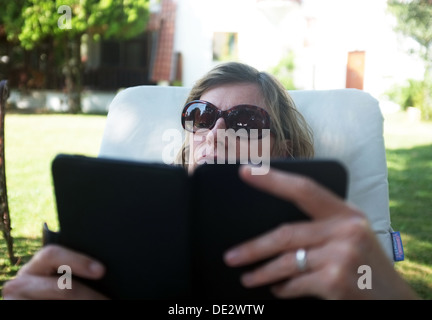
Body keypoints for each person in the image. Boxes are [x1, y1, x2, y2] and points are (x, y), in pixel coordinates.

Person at [2, 62, 419, 300]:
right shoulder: (121, 234)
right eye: (200, 117)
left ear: (284, 150)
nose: (217, 133)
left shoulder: (332, 255)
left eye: (245, 120)